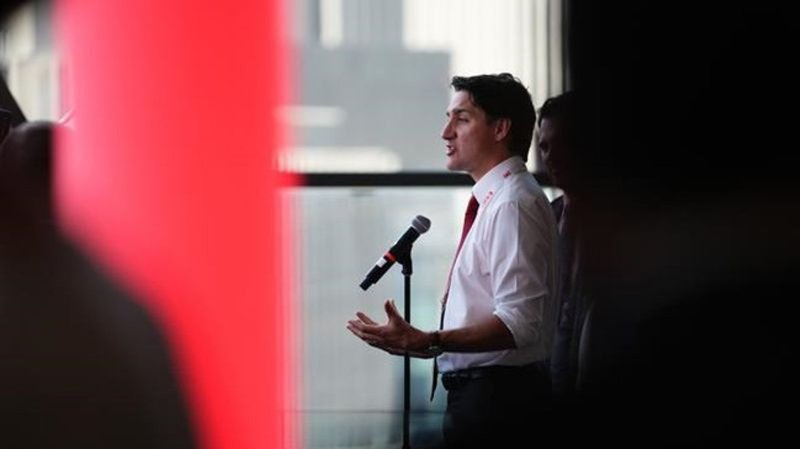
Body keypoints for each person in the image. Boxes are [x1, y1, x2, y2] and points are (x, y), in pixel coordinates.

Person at [347, 73, 558, 448]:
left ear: (500, 129)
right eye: (448, 118)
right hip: (487, 397)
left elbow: (520, 324)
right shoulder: (498, 200)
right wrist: (426, 343)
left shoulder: (513, 204)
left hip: (499, 402)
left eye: (462, 119)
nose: (446, 133)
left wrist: (430, 340)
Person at [536, 91, 590, 403]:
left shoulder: (617, 222)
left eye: (561, 144)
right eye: (544, 147)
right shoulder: (547, 216)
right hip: (548, 377)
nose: (551, 157)